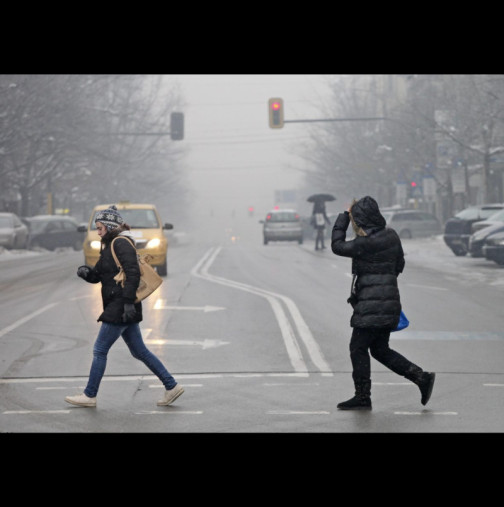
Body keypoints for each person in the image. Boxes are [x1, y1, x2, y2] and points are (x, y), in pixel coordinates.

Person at [65, 205, 184, 408]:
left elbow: (132, 273)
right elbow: (101, 274)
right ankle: (171, 386)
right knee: (139, 351)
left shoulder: (121, 243)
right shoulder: (110, 244)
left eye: (100, 226)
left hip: (121, 304)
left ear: (110, 226)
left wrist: (128, 302)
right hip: (120, 303)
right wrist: (87, 273)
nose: (98, 230)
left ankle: (89, 395)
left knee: (100, 349)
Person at [331, 196, 435, 410]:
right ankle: (421, 378)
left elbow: (337, 246)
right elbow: (400, 264)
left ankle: (362, 396)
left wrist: (342, 219)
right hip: (388, 303)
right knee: (379, 349)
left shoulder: (364, 243)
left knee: (357, 348)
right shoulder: (392, 236)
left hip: (372, 307)